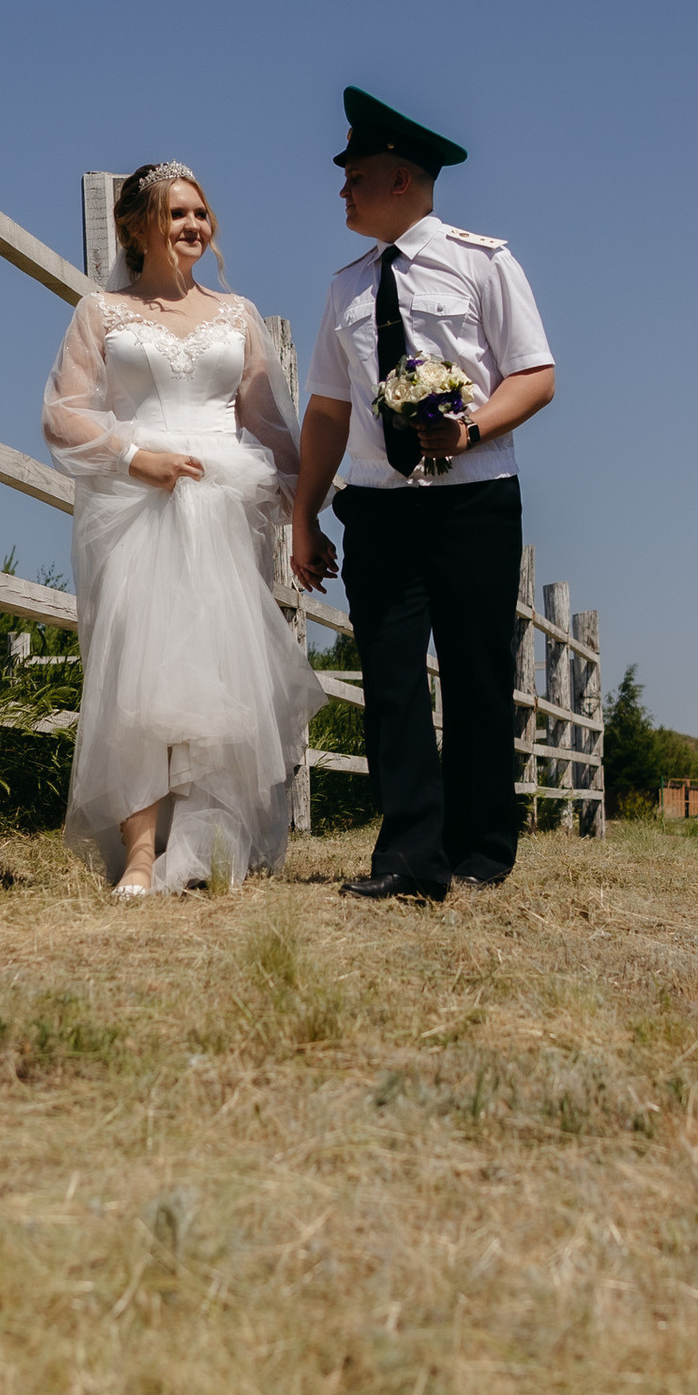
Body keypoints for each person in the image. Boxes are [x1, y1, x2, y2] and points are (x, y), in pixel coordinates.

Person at [292, 90, 557, 900]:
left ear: (400, 179)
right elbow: (328, 411)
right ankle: (409, 858)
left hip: (474, 499)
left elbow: (535, 376)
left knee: (476, 673)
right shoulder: (345, 289)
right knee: (392, 682)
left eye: (356, 177)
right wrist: (304, 514)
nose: (343, 191)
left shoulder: (483, 263)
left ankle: (481, 852)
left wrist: (470, 429)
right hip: (378, 506)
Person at [42, 160, 320, 896]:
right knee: (139, 677)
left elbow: (271, 429)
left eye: (199, 212)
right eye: (176, 213)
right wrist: (136, 458)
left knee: (216, 678)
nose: (194, 225)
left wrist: (303, 516)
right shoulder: (101, 312)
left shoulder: (238, 315)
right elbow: (63, 414)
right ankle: (139, 855)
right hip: (137, 508)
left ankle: (206, 844)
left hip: (223, 509)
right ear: (139, 228)